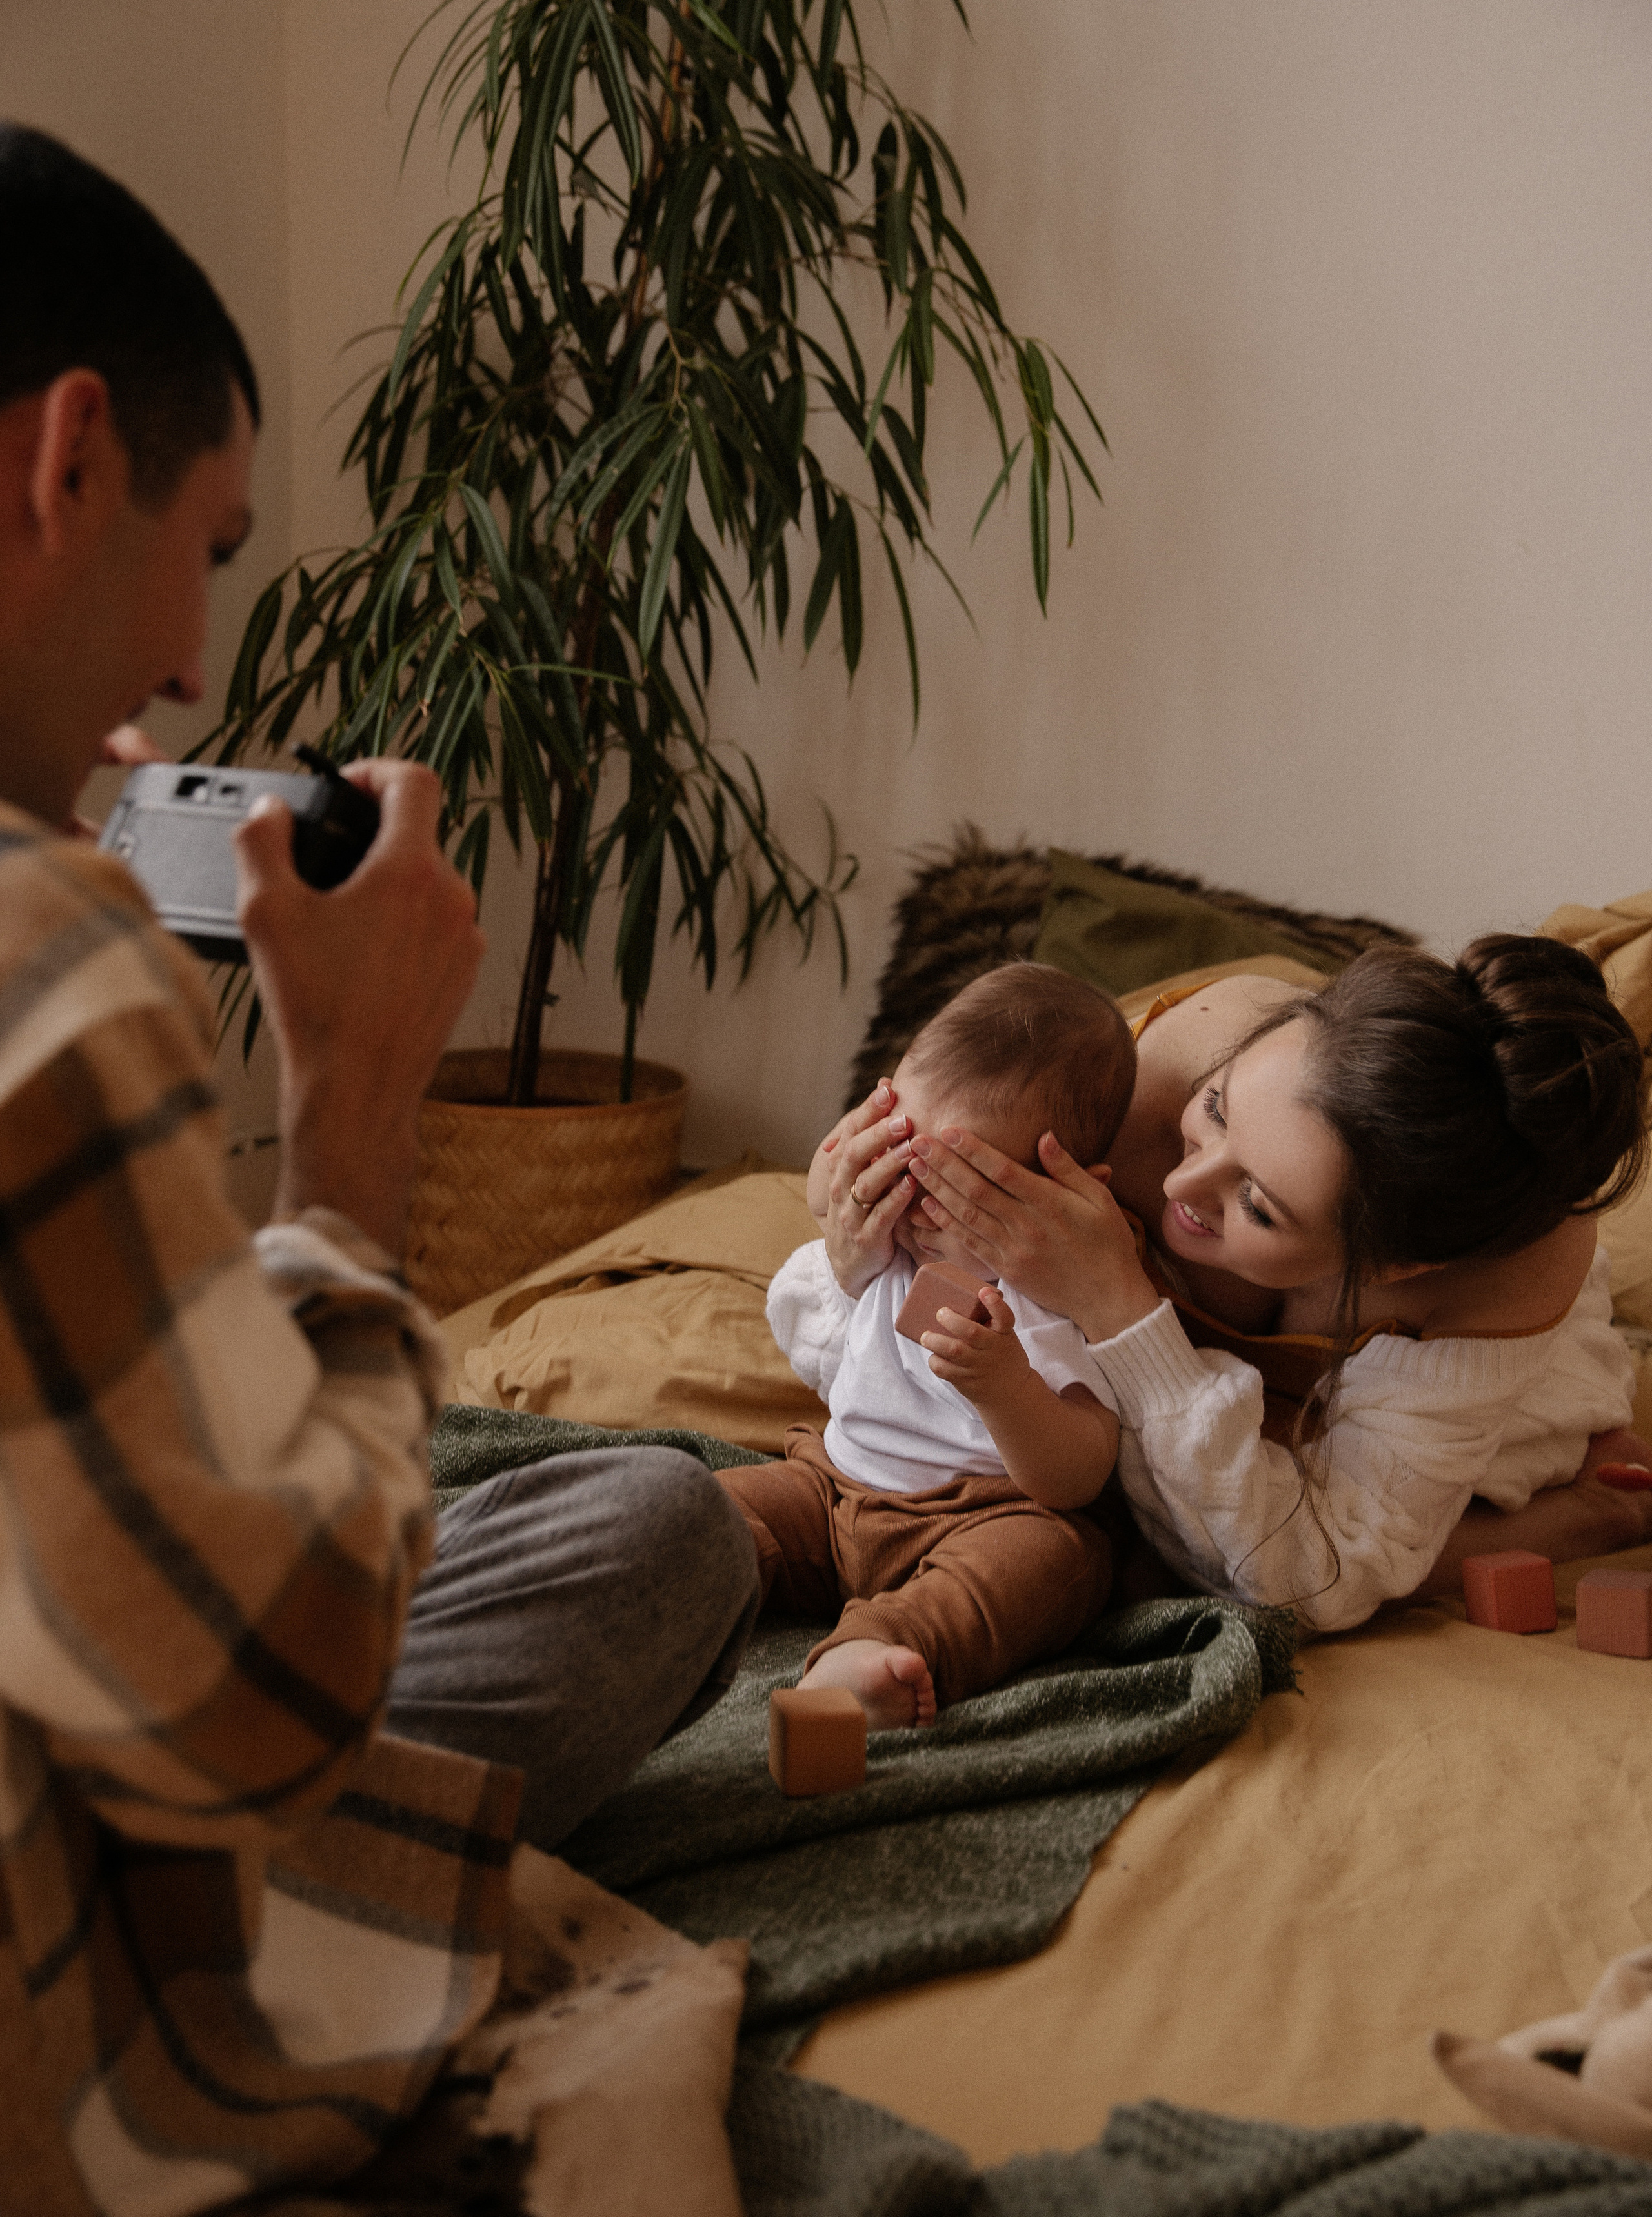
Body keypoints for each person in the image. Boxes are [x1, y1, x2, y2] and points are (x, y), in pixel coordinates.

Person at [0, 123, 758, 2214]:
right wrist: (352, 1108)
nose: (188, 668)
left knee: (622, 1503)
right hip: (80, 1990)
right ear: (73, 457)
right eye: (215, 544)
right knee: (660, 1529)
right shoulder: (46, 956)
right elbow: (256, 1715)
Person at [816, 939, 1652, 1635]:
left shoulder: (1505, 1274)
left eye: (1258, 1203)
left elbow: (1318, 1576)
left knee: (1241, 1563)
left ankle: (1589, 1514)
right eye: (1215, 1109)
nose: (1180, 1186)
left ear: (1395, 1266)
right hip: (1170, 1411)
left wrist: (1119, 1305)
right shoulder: (1150, 1075)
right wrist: (852, 1246)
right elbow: (909, 1298)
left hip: (1438, 1396)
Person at [734, 965, 1131, 1727]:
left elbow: (1080, 1472)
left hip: (976, 1520)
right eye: (902, 1158)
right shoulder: (890, 1233)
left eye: (963, 1184)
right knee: (721, 1508)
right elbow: (825, 1181)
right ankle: (658, 1561)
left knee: (1055, 1560)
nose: (914, 1202)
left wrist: (1004, 1386)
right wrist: (860, 1164)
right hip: (831, 1487)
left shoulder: (1051, 1291)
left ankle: (879, 1652)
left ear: (1075, 1194)